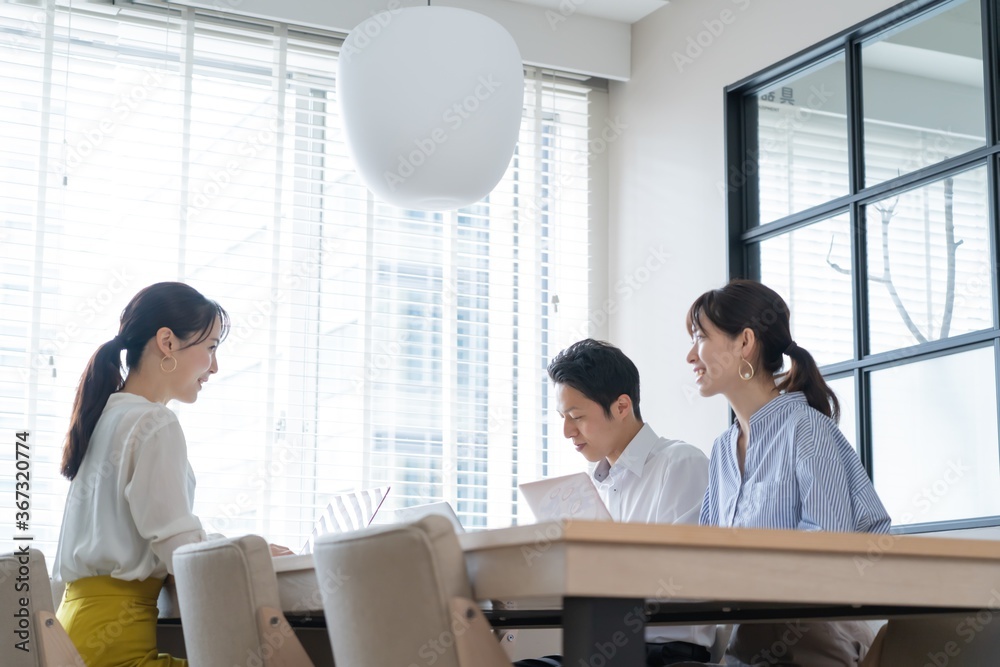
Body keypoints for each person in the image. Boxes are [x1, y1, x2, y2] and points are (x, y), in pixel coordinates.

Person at [53, 282, 285, 666]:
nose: (214, 367)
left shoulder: (105, 418)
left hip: (76, 638)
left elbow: (162, 538)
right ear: (167, 342)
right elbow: (182, 555)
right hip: (115, 654)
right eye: (210, 348)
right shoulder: (154, 422)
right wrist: (251, 551)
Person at [686, 280, 892, 667]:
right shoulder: (722, 450)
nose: (690, 355)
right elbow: (706, 558)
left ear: (744, 342)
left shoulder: (806, 429)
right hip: (749, 647)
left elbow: (827, 551)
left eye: (700, 337)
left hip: (815, 647)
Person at [516, 339, 715, 666]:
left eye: (576, 416)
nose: (567, 431)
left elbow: (684, 579)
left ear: (622, 406)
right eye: (562, 417)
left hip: (662, 654)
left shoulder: (679, 464)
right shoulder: (593, 485)